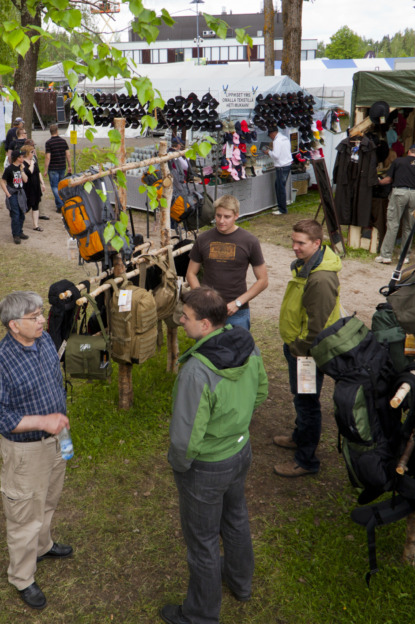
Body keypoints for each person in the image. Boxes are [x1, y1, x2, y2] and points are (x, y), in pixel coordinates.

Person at [161, 287, 267, 624]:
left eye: (186, 317)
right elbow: (261, 391)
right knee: (235, 520)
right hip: (240, 452)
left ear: (205, 324)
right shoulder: (246, 343)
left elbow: (185, 438)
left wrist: (179, 467)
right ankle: (240, 583)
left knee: (203, 542)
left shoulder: (196, 371)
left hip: (206, 468)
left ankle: (200, 616)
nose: (180, 320)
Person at [0, 291, 73, 611]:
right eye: (34, 317)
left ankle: (43, 546)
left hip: (57, 441)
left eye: (41, 313)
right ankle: (22, 576)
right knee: (23, 516)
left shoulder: (44, 340)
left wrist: (58, 421)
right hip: (26, 453)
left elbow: (52, 380)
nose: (42, 320)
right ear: (13, 326)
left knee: (48, 499)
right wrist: (43, 420)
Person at [274, 219, 342, 478]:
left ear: (317, 243)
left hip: (307, 354)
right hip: (300, 349)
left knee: (307, 403)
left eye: (300, 243)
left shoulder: (321, 278)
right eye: (293, 241)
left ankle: (306, 460)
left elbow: (318, 326)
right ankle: (298, 436)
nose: (294, 247)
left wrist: (298, 349)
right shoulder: (310, 265)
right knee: (302, 399)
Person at [185, 195, 268, 331]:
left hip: (237, 312)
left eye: (227, 217)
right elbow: (191, 273)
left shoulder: (250, 241)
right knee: (207, 351)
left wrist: (238, 302)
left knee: (237, 352)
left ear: (236, 215)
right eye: (218, 216)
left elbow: (263, 280)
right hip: (207, 312)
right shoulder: (203, 239)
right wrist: (200, 299)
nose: (221, 221)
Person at [374, 144, 415, 264]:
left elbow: (388, 180)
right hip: (414, 195)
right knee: (408, 226)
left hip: (399, 193)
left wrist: (378, 182)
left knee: (393, 224)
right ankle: (404, 256)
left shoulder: (398, 161)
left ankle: (386, 255)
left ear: (409, 151)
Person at [264, 127, 292, 215]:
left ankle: (282, 209)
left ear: (272, 134)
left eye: (270, 136)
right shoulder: (285, 138)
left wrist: (268, 152)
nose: (271, 138)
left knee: (280, 187)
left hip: (281, 166)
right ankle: (281, 205)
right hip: (287, 164)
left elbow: (276, 156)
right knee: (279, 185)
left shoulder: (277, 141)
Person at [2, 149, 29, 244]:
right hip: (13, 194)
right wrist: (8, 194)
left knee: (22, 213)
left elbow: (25, 180)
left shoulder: (21, 168)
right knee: (15, 214)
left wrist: (22, 170)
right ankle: (16, 235)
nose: (23, 158)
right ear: (17, 158)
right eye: (21, 157)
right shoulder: (9, 169)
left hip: (21, 193)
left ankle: (20, 231)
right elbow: (2, 182)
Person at [44, 124, 71, 213]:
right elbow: (68, 154)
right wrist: (69, 166)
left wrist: (45, 169)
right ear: (57, 131)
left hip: (53, 168)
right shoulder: (63, 141)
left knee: (54, 186)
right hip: (62, 166)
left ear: (50, 132)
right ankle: (59, 206)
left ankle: (60, 204)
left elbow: (48, 157)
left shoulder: (48, 143)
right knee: (60, 186)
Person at [21, 144, 47, 232]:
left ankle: (35, 225)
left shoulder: (34, 161)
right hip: (27, 188)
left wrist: (42, 183)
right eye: (32, 152)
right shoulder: (22, 163)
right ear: (27, 153)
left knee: (36, 205)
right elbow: (29, 172)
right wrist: (31, 163)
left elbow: (38, 172)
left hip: (36, 187)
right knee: (26, 207)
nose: (33, 154)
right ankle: (18, 221)